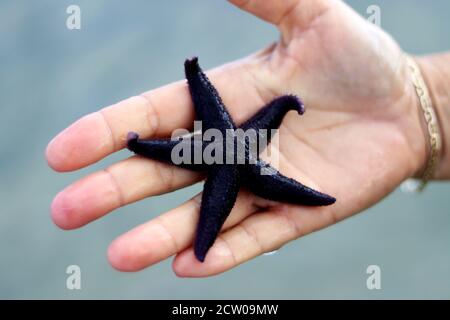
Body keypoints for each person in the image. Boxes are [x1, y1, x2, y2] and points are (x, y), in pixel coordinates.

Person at [45, 0, 449, 277]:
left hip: (228, 159)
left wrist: (289, 101)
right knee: (201, 197)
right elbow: (205, 125)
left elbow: (259, 116)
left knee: (213, 205)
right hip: (229, 159)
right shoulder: (236, 151)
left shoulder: (229, 151)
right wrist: (139, 142)